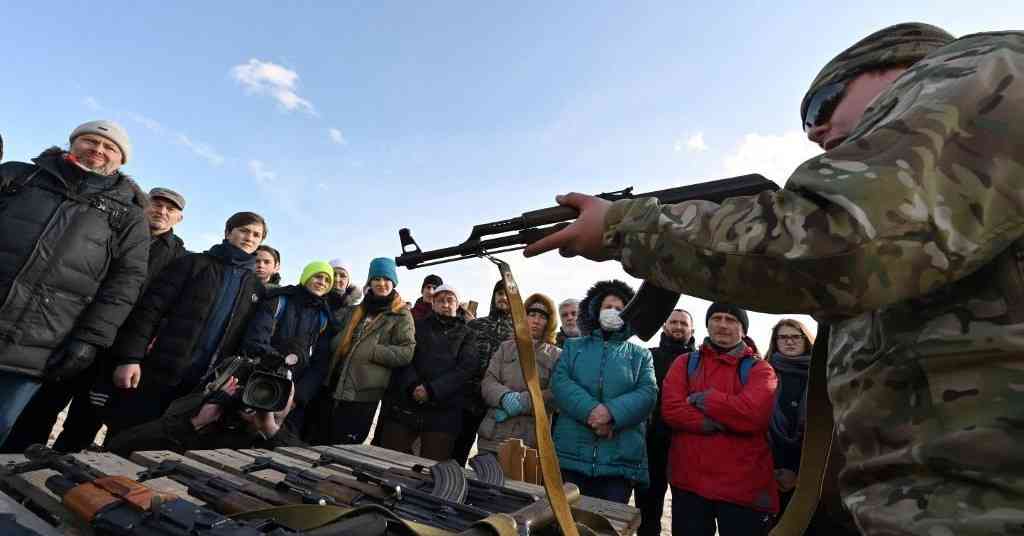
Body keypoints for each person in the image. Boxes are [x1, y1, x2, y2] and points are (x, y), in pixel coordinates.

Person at [525, 23, 1024, 535]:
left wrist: (623, 225)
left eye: (822, 105)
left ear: (900, 65)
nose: (813, 132)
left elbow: (834, 241)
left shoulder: (983, 68)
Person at [5, 187, 189, 453]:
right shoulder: (112, 232)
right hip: (74, 333)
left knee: (85, 422)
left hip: (117, 350)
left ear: (178, 219)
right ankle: (13, 464)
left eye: (170, 209)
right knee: (41, 407)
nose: (162, 211)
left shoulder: (180, 259)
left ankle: (54, 475)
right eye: (156, 204)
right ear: (143, 207)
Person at [0, 120, 149, 447]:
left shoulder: (129, 216)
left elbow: (125, 283)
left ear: (120, 160)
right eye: (89, 141)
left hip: (37, 345)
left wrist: (90, 339)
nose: (98, 150)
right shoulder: (18, 176)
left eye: (109, 147)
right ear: (72, 143)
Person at [99, 212, 268, 436]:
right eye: (244, 230)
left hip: (203, 386)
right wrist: (130, 358)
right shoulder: (193, 263)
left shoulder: (256, 288)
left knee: (170, 448)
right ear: (228, 233)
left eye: (257, 235)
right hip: (160, 373)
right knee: (128, 434)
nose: (250, 237)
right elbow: (149, 312)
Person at [661, 304, 778, 535]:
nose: (723, 324)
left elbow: (754, 415)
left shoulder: (761, 370)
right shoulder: (684, 363)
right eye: (716, 318)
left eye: (731, 320)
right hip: (690, 484)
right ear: (707, 325)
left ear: (743, 330)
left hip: (743, 490)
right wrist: (714, 422)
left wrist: (706, 400)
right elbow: (672, 409)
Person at [550, 280, 656, 504]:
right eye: (607, 307)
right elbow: (560, 382)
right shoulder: (573, 347)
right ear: (595, 310)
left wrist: (612, 414)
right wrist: (592, 411)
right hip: (571, 456)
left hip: (619, 464)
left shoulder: (641, 355)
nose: (613, 312)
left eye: (619, 309)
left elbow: (647, 393)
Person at [307, 257, 414, 445]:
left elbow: (406, 352)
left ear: (393, 282)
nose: (381, 284)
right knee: (318, 440)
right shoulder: (357, 310)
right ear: (369, 282)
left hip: (363, 393)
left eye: (386, 279)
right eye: (376, 279)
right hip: (334, 385)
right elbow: (335, 335)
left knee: (345, 447)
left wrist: (371, 350)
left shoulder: (401, 315)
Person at [377, 284, 476, 461]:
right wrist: (414, 385)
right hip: (406, 405)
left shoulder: (467, 334)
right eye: (440, 300)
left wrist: (432, 390)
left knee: (430, 469)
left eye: (449, 300)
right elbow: (405, 357)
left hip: (443, 413)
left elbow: (465, 369)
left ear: (457, 304)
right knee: (388, 461)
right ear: (433, 304)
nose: (445, 304)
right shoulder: (417, 326)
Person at [106, 373, 302, 456]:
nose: (264, 396)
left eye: (277, 391)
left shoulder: (289, 440)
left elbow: (304, 472)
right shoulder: (213, 418)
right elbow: (120, 445)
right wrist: (194, 424)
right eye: (260, 386)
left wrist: (271, 431)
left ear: (292, 405)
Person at [636, 308, 696, 536]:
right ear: (664, 325)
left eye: (683, 323)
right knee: (648, 511)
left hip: (687, 446)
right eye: (673, 322)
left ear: (692, 330)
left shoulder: (699, 362)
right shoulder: (647, 356)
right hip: (651, 445)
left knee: (687, 512)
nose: (678, 327)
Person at [478, 293, 560, 450]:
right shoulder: (505, 347)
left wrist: (523, 402)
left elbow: (556, 393)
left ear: (549, 322)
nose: (536, 321)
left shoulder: (557, 356)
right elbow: (488, 381)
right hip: (493, 435)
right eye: (532, 314)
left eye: (542, 317)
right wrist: (504, 397)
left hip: (529, 442)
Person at [457, 281, 514, 465]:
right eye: (499, 293)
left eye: (506, 294)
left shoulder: (518, 334)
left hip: (495, 407)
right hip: (466, 403)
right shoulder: (476, 325)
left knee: (487, 462)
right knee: (456, 454)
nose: (503, 297)